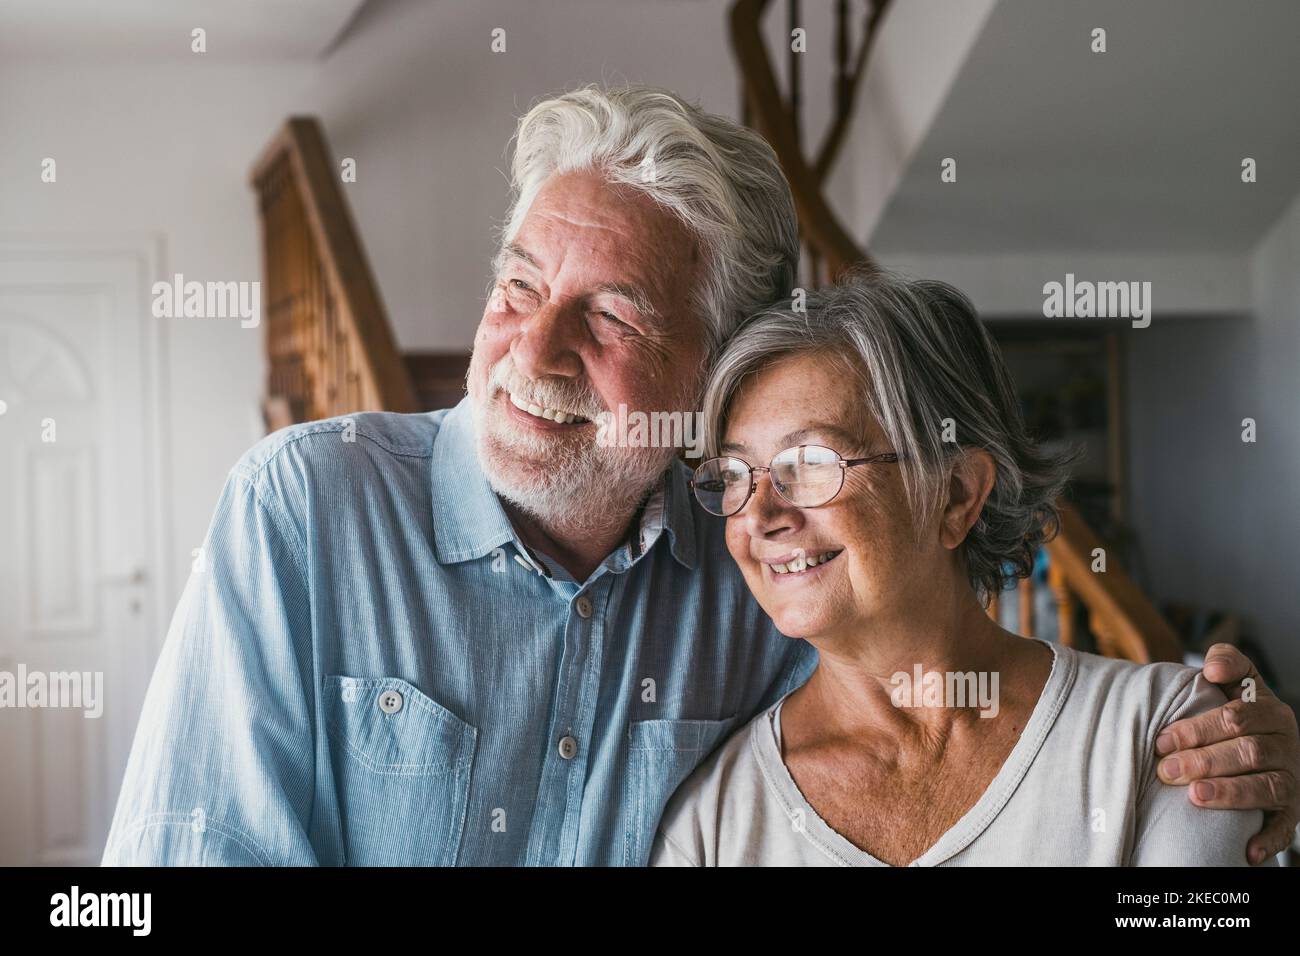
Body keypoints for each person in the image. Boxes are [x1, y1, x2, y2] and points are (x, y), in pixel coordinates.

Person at [102, 87, 1298, 866]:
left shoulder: (761, 560)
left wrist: (1249, 752)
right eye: (518, 286)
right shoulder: (305, 511)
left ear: (712, 378)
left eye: (611, 315)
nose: (530, 350)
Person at [652, 273, 1276, 865]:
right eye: (733, 475)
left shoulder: (1168, 735)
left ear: (955, 494)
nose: (759, 515)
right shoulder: (712, 822)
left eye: (811, 462)